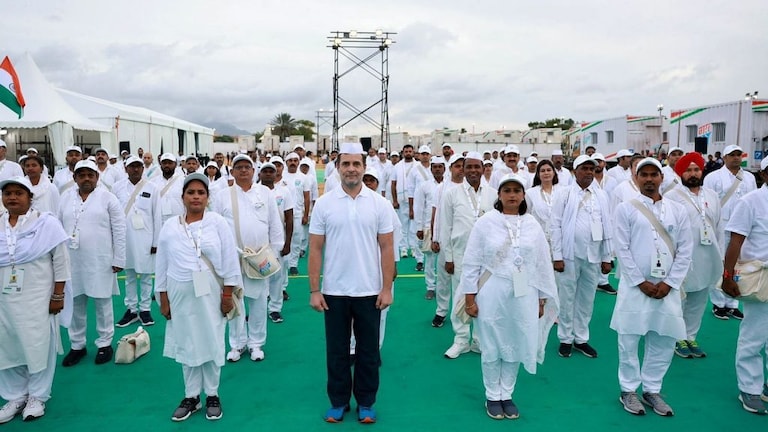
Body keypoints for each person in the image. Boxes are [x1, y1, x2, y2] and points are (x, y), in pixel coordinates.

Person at [308, 142, 394, 424]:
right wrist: (314, 289)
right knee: (337, 351)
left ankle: (366, 402)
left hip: (370, 291)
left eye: (356, 164)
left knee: (369, 352)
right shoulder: (324, 204)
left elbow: (386, 248)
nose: (351, 169)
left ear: (364, 167)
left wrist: (386, 288)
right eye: (346, 164)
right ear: (337, 168)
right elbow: (316, 248)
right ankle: (339, 401)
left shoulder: (379, 204)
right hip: (334, 291)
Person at [462, 173, 558, 419]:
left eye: (517, 191)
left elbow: (541, 263)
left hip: (524, 290)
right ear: (499, 195)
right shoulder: (486, 223)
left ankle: (507, 393)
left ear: (524, 195)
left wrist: (541, 300)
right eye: (507, 191)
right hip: (492, 290)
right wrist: (469, 298)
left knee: (517, 340)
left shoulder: (532, 225)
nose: (512, 195)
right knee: (492, 343)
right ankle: (493, 395)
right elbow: (472, 261)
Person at [155, 173, 241, 421]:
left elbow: (229, 260)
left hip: (211, 293)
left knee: (212, 340)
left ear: (207, 197)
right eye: (191, 192)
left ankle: (212, 394)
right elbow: (161, 264)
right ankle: (191, 396)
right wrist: (163, 297)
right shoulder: (170, 225)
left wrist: (227, 295)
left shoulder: (217, 222)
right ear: (182, 197)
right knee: (187, 343)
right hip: (179, 293)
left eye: (200, 193)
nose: (195, 197)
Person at [611, 158, 693, 416]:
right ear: (636, 178)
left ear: (661, 178)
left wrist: (669, 283)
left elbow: (685, 249)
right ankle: (628, 390)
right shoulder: (626, 208)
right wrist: (640, 282)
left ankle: (653, 389)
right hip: (636, 288)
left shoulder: (677, 210)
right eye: (643, 174)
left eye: (653, 174)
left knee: (664, 338)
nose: (648, 179)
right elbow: (621, 249)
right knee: (629, 339)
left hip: (666, 289)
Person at [0, 177, 69, 423]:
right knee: (7, 345)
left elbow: (61, 261)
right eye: (7, 193)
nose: (12, 197)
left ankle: (37, 396)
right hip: (5, 300)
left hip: (38, 298)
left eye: (19, 193)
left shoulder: (46, 224)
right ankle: (14, 396)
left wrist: (58, 295)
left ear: (30, 197)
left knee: (38, 344)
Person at [214, 155, 283, 362]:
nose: (243, 171)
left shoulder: (265, 193)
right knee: (235, 300)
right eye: (239, 167)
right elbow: (215, 226)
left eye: (247, 167)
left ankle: (256, 343)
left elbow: (274, 223)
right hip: (232, 257)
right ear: (232, 172)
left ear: (254, 171)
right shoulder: (222, 195)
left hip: (259, 257)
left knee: (259, 300)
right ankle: (237, 344)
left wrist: (276, 251)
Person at [58, 160, 126, 367]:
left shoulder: (108, 198)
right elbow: (58, 228)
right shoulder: (65, 198)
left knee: (102, 302)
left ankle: (105, 344)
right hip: (73, 260)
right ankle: (77, 345)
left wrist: (119, 258)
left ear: (97, 177)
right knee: (76, 302)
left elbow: (120, 230)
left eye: (90, 174)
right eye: (82, 175)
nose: (86, 178)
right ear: (75, 178)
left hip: (101, 259)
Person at [550, 155, 613, 358]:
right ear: (575, 171)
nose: (588, 172)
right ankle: (565, 338)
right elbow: (555, 226)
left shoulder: (601, 195)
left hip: (593, 255)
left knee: (587, 298)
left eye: (591, 169)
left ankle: (581, 338)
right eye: (584, 168)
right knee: (567, 298)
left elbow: (607, 226)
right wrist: (557, 255)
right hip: (569, 255)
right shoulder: (565, 194)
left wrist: (607, 256)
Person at [721, 157, 768, 414]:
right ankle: (749, 389)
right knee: (754, 335)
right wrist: (728, 275)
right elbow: (736, 240)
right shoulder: (751, 201)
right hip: (761, 276)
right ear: (764, 175)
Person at [665, 153, 723, 358]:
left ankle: (690, 336)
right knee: (680, 299)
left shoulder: (712, 195)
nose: (692, 174)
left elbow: (718, 228)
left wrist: (721, 256)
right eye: (688, 170)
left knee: (699, 299)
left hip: (707, 256)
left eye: (696, 169)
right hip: (681, 257)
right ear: (680, 173)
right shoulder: (671, 196)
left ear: (702, 171)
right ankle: (676, 337)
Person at [439, 152, 496, 358]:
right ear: (462, 169)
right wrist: (448, 257)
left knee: (484, 298)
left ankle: (479, 340)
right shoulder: (451, 194)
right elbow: (445, 227)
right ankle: (461, 339)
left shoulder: (493, 194)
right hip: (460, 254)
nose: (473, 171)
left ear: (483, 169)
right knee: (460, 296)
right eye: (469, 167)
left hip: (487, 257)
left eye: (476, 167)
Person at [704, 144, 756, 320]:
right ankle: (718, 303)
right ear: (724, 158)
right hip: (721, 225)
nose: (736, 158)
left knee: (738, 264)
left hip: (742, 226)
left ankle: (733, 303)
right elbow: (707, 201)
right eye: (732, 155)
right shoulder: (713, 177)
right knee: (719, 262)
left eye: (738, 155)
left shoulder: (748, 177)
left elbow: (754, 200)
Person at [113, 156, 162, 328]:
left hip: (146, 238)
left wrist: (156, 241)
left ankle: (146, 309)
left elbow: (157, 215)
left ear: (143, 168)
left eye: (138, 166)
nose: (135, 169)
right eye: (132, 166)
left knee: (147, 275)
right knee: (130, 275)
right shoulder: (117, 187)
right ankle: (132, 309)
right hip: (125, 238)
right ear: (125, 168)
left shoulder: (152, 188)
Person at [430, 154, 465, 328]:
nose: (460, 169)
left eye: (462, 166)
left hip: (463, 242)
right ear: (450, 168)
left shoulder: (469, 188)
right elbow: (436, 215)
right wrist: (435, 238)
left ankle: (461, 312)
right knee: (444, 278)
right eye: (456, 166)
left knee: (463, 279)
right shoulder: (442, 188)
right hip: (445, 239)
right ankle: (441, 311)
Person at [258, 158, 294, 322]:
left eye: (271, 171)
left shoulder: (284, 191)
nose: (268, 174)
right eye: (265, 171)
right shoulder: (254, 191)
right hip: (259, 242)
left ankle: (275, 308)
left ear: (276, 174)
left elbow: (289, 218)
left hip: (278, 241)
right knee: (258, 277)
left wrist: (287, 243)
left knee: (277, 277)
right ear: (259, 173)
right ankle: (257, 310)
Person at [414, 156, 445, 300]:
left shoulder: (450, 185)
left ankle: (444, 287)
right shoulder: (424, 186)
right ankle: (430, 287)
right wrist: (419, 227)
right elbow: (419, 207)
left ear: (445, 169)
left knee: (446, 259)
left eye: (440, 166)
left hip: (446, 227)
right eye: (435, 167)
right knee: (430, 259)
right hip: (428, 226)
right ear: (431, 169)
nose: (438, 169)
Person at [282, 152, 311, 275]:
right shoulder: (281, 176)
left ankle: (293, 264)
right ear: (286, 162)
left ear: (298, 162)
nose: (293, 163)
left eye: (295, 160)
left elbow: (306, 197)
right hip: (281, 214)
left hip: (297, 213)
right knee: (282, 239)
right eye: (290, 160)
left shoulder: (303, 178)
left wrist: (306, 214)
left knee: (296, 239)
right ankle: (284, 263)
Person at [407, 145, 433, 272]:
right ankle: (419, 260)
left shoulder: (435, 167)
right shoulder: (414, 170)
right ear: (419, 155)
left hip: (431, 203)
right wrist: (411, 208)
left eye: (427, 154)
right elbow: (410, 190)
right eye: (422, 154)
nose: (425, 156)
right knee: (418, 232)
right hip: (418, 204)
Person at [526, 159, 560, 246]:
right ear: (538, 174)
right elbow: (526, 215)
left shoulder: (563, 192)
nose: (546, 173)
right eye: (542, 171)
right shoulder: (530, 193)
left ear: (554, 172)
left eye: (549, 170)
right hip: (538, 238)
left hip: (559, 238)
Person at [390, 144, 415, 258]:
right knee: (402, 225)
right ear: (403, 152)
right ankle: (403, 248)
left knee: (414, 226)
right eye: (406, 151)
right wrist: (395, 200)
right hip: (401, 199)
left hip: (415, 200)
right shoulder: (397, 166)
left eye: (410, 151)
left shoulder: (417, 166)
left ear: (413, 152)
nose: (408, 153)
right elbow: (393, 184)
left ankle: (414, 248)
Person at [152, 153, 185, 224]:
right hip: (159, 222)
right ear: (160, 165)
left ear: (175, 164)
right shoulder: (153, 182)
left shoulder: (183, 181)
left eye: (170, 163)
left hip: (178, 222)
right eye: (164, 163)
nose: (167, 165)